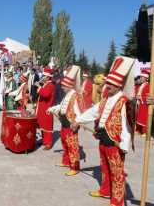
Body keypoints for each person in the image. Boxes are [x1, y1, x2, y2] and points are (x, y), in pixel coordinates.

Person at [71, 56, 135, 206]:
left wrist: (124, 145)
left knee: (117, 173)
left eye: (112, 84)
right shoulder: (106, 99)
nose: (108, 86)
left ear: (119, 85)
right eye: (108, 83)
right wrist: (78, 120)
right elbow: (94, 111)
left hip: (115, 144)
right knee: (105, 168)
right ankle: (105, 191)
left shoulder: (123, 101)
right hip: (102, 140)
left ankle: (117, 201)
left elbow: (127, 126)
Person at [48, 65, 84, 176]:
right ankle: (66, 161)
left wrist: (77, 122)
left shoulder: (76, 96)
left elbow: (79, 111)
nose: (62, 88)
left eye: (64, 86)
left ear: (69, 86)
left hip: (71, 124)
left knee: (72, 145)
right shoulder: (67, 95)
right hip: (64, 122)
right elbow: (62, 106)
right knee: (64, 142)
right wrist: (52, 109)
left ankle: (75, 167)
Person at [35, 67, 55, 150]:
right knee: (42, 125)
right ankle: (43, 140)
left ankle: (49, 143)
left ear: (47, 77)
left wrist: (39, 87)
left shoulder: (50, 85)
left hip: (47, 109)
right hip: (42, 108)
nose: (42, 77)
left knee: (47, 126)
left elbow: (46, 94)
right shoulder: (46, 84)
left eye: (44, 76)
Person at [135, 69, 150, 137]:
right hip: (139, 103)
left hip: (144, 105)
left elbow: (148, 96)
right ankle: (139, 130)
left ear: (146, 78)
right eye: (140, 77)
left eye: (142, 77)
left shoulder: (148, 85)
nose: (140, 78)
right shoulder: (141, 85)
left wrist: (140, 98)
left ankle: (145, 132)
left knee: (144, 118)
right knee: (138, 117)